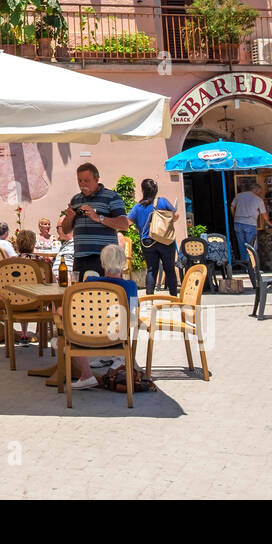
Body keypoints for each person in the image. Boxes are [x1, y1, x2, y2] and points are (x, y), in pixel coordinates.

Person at [61, 243, 138, 390]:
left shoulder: (90, 281)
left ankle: (86, 374)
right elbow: (133, 314)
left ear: (102, 262)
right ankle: (114, 358)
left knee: (65, 319)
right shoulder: (131, 286)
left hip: (87, 337)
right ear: (123, 264)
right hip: (116, 338)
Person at [65, 163, 131, 280]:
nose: (82, 184)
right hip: (80, 258)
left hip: (105, 259)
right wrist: (69, 217)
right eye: (80, 181)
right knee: (81, 295)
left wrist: (98, 218)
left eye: (86, 180)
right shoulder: (76, 200)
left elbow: (124, 224)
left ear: (97, 179)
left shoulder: (112, 197)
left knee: (105, 294)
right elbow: (66, 230)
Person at [127, 179, 179, 297]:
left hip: (147, 242)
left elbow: (127, 222)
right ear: (156, 190)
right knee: (169, 269)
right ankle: (173, 297)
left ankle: (150, 298)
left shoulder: (137, 207)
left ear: (143, 190)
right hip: (165, 240)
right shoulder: (163, 202)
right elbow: (175, 216)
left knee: (151, 270)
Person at [231, 181, 271, 260]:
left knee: (241, 245)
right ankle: (251, 266)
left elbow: (232, 207)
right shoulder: (258, 199)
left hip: (238, 223)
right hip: (250, 224)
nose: (260, 193)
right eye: (260, 191)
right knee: (252, 245)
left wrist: (234, 217)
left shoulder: (239, 196)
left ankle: (244, 264)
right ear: (255, 190)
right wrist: (269, 223)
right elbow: (264, 214)